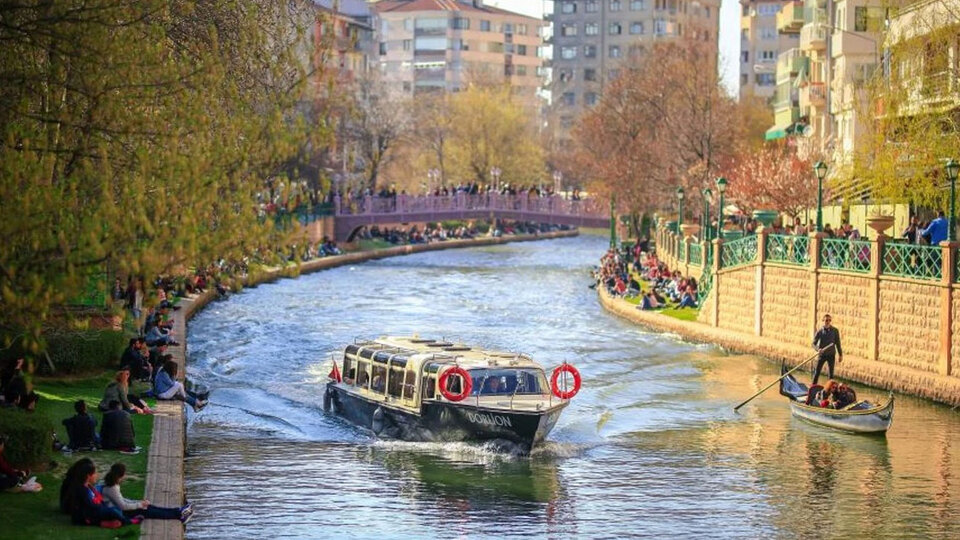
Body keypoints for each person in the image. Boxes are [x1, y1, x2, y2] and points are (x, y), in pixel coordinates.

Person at [100, 463, 193, 523]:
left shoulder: (112, 486)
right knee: (148, 511)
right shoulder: (112, 488)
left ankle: (178, 511)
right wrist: (139, 505)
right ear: (121, 475)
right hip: (120, 513)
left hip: (120, 510)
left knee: (149, 507)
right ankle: (178, 515)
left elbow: (122, 500)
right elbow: (122, 506)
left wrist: (139, 502)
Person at [68, 460, 134, 528]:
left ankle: (119, 519)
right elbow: (89, 506)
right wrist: (102, 506)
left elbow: (97, 498)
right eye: (94, 474)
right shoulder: (82, 490)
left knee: (116, 508)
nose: (97, 475)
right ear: (88, 476)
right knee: (112, 511)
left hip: (97, 510)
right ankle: (128, 521)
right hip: (89, 515)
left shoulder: (88, 486)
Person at [812, 314, 843, 385]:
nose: (828, 322)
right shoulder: (820, 331)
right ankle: (812, 388)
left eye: (829, 320)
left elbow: (838, 343)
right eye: (826, 320)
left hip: (831, 355)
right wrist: (818, 349)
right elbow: (813, 344)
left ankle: (829, 390)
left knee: (831, 375)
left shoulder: (835, 331)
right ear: (823, 321)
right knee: (817, 372)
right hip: (822, 355)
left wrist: (840, 355)